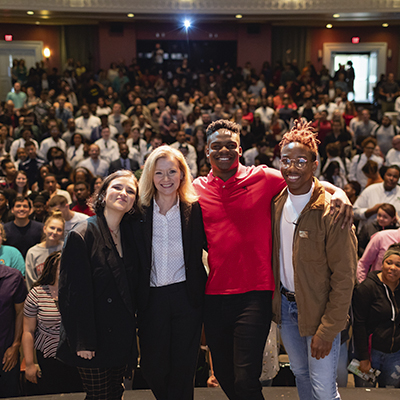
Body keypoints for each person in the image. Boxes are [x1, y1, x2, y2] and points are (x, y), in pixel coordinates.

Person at [192, 119, 352, 400]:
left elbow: (304, 178)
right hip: (215, 295)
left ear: (240, 149)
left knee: (247, 377)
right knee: (227, 377)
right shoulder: (196, 189)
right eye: (216, 146)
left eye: (231, 145)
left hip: (256, 294)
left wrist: (339, 192)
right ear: (206, 151)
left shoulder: (263, 178)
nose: (224, 151)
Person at [271, 120, 357, 400]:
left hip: (319, 311)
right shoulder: (276, 200)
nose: (292, 167)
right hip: (286, 308)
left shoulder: (332, 210)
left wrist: (329, 329)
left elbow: (345, 277)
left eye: (300, 161)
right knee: (301, 376)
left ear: (314, 164)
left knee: (323, 389)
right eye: (286, 160)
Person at [131, 146, 207, 400]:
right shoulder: (138, 212)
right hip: (151, 299)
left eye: (172, 172)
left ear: (182, 174)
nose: (166, 179)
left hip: (186, 296)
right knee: (153, 367)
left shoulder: (195, 210)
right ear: (150, 176)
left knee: (184, 367)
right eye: (159, 173)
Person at [57, 170, 139, 400]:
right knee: (99, 396)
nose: (123, 193)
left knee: (115, 393)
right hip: (93, 336)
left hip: (120, 334)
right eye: (117, 187)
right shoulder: (82, 233)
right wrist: (84, 341)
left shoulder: (130, 235)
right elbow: (72, 294)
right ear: (103, 194)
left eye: (130, 191)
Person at [22, 251, 83, 395]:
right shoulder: (37, 294)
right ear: (52, 269)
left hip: (78, 355)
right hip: (49, 357)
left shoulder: (79, 292)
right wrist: (30, 364)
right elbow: (28, 331)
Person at [353, 244, 400, 388]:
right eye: (389, 262)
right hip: (370, 354)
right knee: (366, 395)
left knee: (390, 395)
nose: (392, 268)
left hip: (395, 356)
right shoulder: (367, 288)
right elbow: (359, 324)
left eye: (398, 265)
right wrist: (364, 358)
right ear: (382, 263)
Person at [0, 263, 26, 398]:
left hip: (6, 352)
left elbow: (21, 312)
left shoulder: (13, 277)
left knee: (9, 394)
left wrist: (15, 345)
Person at [25, 212, 64, 291]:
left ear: (63, 233)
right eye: (52, 228)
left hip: (62, 294)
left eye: (59, 229)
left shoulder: (66, 248)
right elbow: (30, 280)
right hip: (39, 296)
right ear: (44, 229)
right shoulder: (33, 252)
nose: (55, 232)